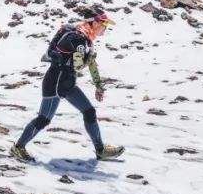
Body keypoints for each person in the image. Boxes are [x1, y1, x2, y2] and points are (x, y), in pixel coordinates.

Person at [10, 9, 124, 161]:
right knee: (44, 119)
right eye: (104, 25)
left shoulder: (85, 38)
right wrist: (88, 59)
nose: (105, 29)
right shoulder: (78, 38)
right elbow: (79, 65)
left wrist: (98, 85)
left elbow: (88, 63)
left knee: (89, 112)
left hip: (66, 82)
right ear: (95, 23)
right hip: (56, 82)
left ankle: (100, 150)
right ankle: (18, 148)